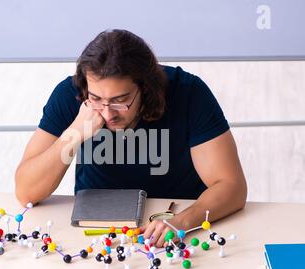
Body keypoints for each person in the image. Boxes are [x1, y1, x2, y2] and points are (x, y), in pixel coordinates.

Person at [15, 29, 247, 247]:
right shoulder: (71, 94)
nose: (107, 113)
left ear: (146, 88)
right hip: (97, 232)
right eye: (96, 98)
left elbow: (232, 187)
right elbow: (26, 192)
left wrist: (182, 222)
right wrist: (75, 132)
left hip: (174, 228)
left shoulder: (189, 93)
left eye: (120, 100)